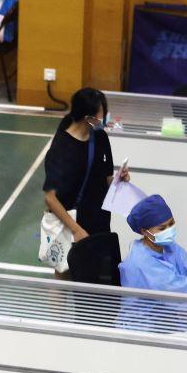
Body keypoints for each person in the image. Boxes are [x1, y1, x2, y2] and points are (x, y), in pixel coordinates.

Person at [41, 87, 129, 278]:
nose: (104, 120)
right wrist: (76, 230)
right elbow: (50, 197)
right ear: (87, 117)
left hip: (98, 221)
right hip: (70, 224)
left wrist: (119, 180)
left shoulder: (101, 137)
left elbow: (106, 178)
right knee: (63, 274)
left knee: (97, 276)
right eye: (101, 116)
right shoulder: (62, 147)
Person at [119, 195, 187, 297]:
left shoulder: (170, 248)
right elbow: (182, 290)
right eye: (162, 228)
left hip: (167, 312)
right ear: (144, 231)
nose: (168, 230)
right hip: (145, 316)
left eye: (171, 224)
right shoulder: (141, 262)